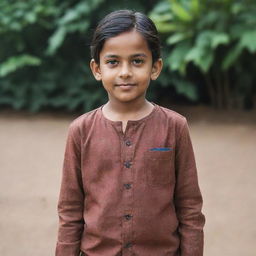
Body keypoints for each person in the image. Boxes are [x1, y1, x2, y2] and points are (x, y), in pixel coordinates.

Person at [55, 9, 205, 256]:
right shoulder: (81, 131)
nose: (125, 72)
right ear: (97, 69)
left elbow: (190, 208)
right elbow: (70, 211)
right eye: (113, 62)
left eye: (137, 61)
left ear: (155, 67)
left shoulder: (175, 126)